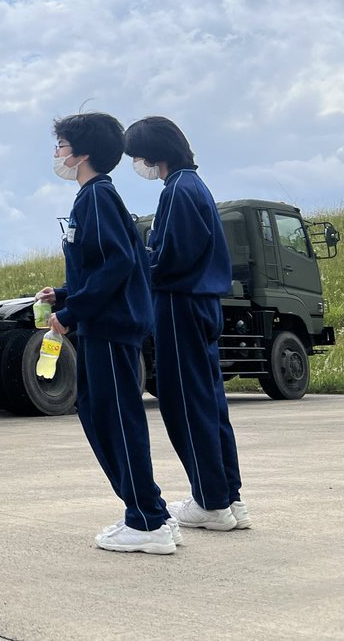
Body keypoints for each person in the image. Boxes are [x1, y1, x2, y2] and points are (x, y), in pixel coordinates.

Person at [37, 113, 178, 554]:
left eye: (61, 145)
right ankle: (153, 512)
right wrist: (63, 293)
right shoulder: (96, 197)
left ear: (81, 154)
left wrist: (71, 312)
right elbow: (103, 263)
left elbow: (118, 264)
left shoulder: (96, 197)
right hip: (106, 324)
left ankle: (146, 521)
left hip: (109, 327)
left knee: (114, 420)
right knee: (106, 415)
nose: (57, 153)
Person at [125, 116, 248, 531]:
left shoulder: (176, 190)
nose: (137, 163)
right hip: (204, 302)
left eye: (137, 155)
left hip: (179, 303)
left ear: (153, 153)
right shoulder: (195, 185)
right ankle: (229, 497)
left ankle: (210, 503)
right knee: (210, 401)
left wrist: (136, 266)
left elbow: (170, 258)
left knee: (185, 403)